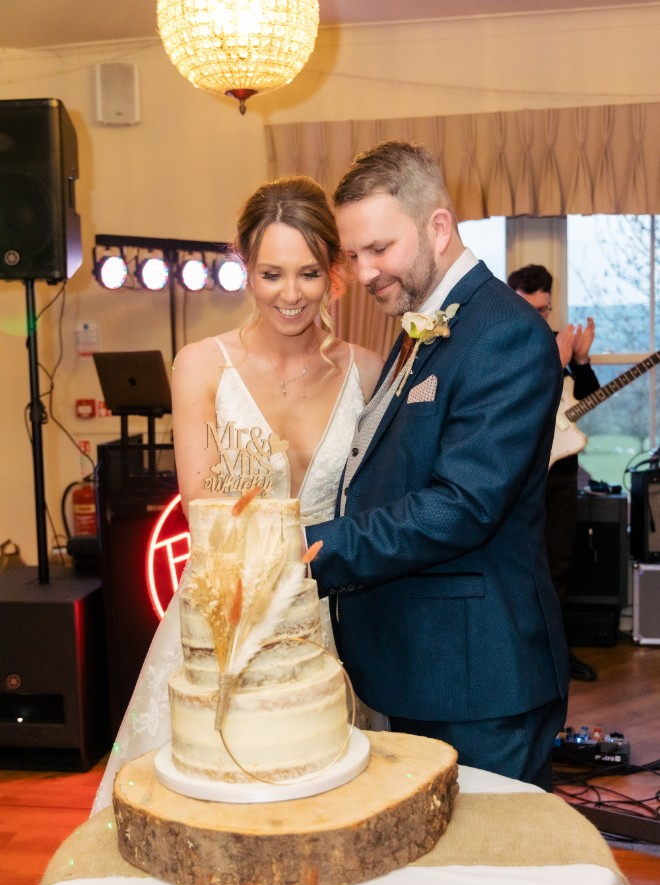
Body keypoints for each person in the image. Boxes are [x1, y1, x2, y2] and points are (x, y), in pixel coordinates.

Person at [91, 175, 385, 814]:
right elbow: (203, 509)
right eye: (271, 273)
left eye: (308, 273)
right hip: (234, 614)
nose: (290, 294)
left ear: (334, 271)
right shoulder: (201, 364)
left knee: (333, 808)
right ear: (244, 268)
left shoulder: (366, 368)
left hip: (345, 612)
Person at [306, 141, 569, 790]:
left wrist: (310, 549)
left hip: (479, 681)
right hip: (418, 666)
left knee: (486, 879)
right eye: (353, 254)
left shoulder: (502, 331)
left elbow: (461, 505)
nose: (364, 272)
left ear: (439, 227)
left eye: (380, 249)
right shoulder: (423, 322)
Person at [507, 264, 600, 682]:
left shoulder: (557, 342)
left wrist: (579, 362)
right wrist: (553, 364)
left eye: (544, 310)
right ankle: (520, 658)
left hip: (560, 474)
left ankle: (558, 657)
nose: (539, 318)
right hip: (517, 474)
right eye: (531, 308)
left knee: (558, 563)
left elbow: (587, 398)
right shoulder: (501, 343)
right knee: (519, 565)